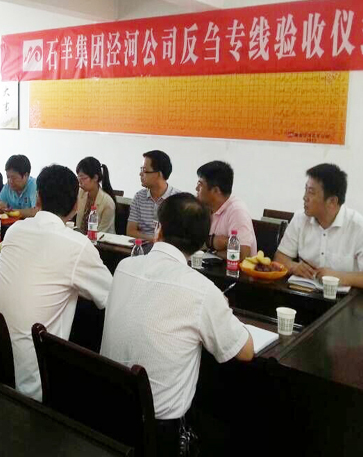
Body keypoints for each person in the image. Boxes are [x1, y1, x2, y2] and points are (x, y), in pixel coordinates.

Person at [100, 193, 254, 456]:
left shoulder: (125, 266)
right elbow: (246, 351)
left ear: (159, 229)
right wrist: (222, 308)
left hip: (108, 411)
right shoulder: (202, 290)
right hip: (157, 435)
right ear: (200, 243)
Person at [0, 164, 112, 401]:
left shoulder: (16, 230)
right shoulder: (77, 245)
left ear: (38, 197)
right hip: (33, 381)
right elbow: (109, 298)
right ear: (75, 206)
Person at [275, 163, 363, 290]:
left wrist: (338, 277)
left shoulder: (361, 228)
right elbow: (279, 258)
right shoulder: (300, 218)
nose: (305, 197)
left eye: (311, 192)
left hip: (344, 299)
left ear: (332, 201)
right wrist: (293, 266)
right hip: (304, 293)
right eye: (305, 190)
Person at [196, 161, 257, 259]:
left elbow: (242, 254)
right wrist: (213, 242)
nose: (196, 188)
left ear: (216, 190)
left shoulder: (237, 211)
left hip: (232, 269)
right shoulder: (206, 207)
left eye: (200, 184)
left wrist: (211, 248)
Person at [127, 150, 180, 240]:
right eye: (141, 169)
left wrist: (158, 242)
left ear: (159, 174)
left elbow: (178, 236)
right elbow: (130, 231)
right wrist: (154, 239)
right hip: (142, 246)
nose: (140, 174)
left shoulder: (178, 199)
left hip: (167, 247)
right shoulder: (139, 197)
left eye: (144, 170)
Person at [75, 156, 116, 234]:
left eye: (83, 178)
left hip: (101, 239)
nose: (80, 182)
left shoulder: (107, 203)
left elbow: (101, 233)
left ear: (95, 178)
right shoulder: (81, 193)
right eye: (78, 177)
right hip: (81, 238)